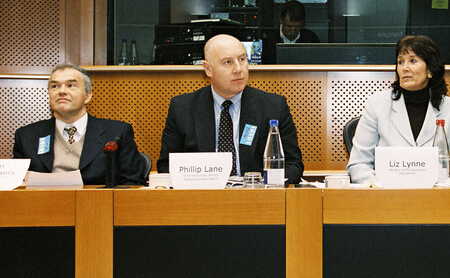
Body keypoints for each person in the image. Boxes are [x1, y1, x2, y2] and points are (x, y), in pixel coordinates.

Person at [157, 33, 304, 183]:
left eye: (242, 59)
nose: (238, 69)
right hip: (203, 199)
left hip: (255, 198)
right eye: (227, 62)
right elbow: (166, 166)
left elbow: (293, 165)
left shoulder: (273, 106)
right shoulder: (182, 108)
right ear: (208, 69)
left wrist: (263, 186)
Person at [346, 35, 450, 184]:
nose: (405, 68)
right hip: (386, 198)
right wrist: (380, 186)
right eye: (400, 62)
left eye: (413, 61)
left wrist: (434, 184)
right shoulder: (376, 105)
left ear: (430, 68)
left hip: (435, 198)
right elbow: (358, 164)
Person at [13, 63, 145, 185]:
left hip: (96, 206)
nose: (62, 91)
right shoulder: (26, 136)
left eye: (70, 85)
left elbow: (132, 183)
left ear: (88, 95)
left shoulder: (117, 133)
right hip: (43, 206)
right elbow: (17, 185)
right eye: (55, 86)